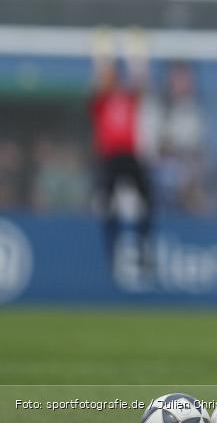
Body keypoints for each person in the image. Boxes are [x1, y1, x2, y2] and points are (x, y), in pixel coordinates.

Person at [89, 29, 154, 276]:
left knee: (146, 202)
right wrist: (101, 56)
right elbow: (98, 81)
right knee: (108, 207)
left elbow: (141, 82)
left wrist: (137, 56)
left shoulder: (129, 97)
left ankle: (143, 251)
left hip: (130, 156)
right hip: (109, 158)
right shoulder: (101, 99)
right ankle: (111, 254)